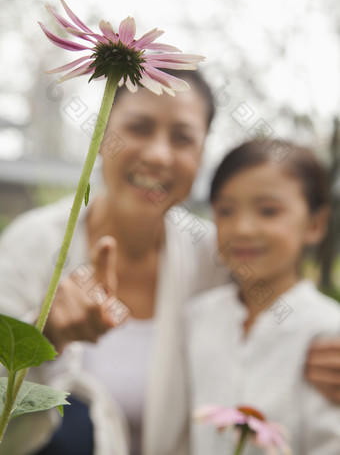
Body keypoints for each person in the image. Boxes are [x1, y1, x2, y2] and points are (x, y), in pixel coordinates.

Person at [0, 75, 340, 455]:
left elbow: (284, 305)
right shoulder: (32, 245)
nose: (159, 155)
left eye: (182, 138)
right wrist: (45, 339)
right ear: (99, 135)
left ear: (200, 156)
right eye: (139, 127)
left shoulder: (218, 256)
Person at [185, 139, 340, 455]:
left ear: (315, 224)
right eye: (226, 211)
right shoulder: (197, 317)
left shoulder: (328, 332)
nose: (242, 228)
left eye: (268, 211)